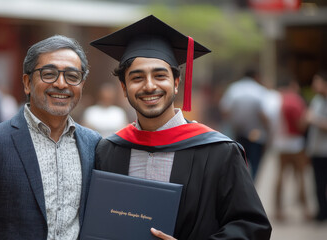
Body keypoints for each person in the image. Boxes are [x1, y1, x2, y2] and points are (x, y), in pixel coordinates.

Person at [91, 15, 271, 239]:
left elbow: (252, 226)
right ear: (124, 86)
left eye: (160, 76)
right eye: (137, 78)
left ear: (176, 83)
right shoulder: (108, 151)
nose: (149, 86)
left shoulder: (219, 152)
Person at [0, 35, 102, 239]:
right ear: (27, 82)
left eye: (72, 76)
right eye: (49, 74)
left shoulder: (94, 145)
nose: (60, 83)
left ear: (82, 84)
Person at [219, 68, 270, 180]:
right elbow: (264, 114)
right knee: (255, 163)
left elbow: (224, 110)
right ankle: (252, 184)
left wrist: (232, 123)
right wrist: (268, 131)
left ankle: (241, 184)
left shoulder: (234, 88)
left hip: (237, 133)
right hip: (257, 134)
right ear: (256, 76)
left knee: (239, 162)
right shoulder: (260, 90)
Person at [272, 76, 310, 221]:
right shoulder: (295, 101)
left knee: (281, 176)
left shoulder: (277, 100)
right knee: (300, 177)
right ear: (293, 84)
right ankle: (305, 210)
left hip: (281, 143)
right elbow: (301, 125)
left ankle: (278, 210)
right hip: (296, 143)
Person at [306, 70, 327, 222]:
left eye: (317, 81)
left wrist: (314, 119)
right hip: (316, 151)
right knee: (318, 185)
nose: (314, 85)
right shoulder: (317, 100)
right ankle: (322, 212)